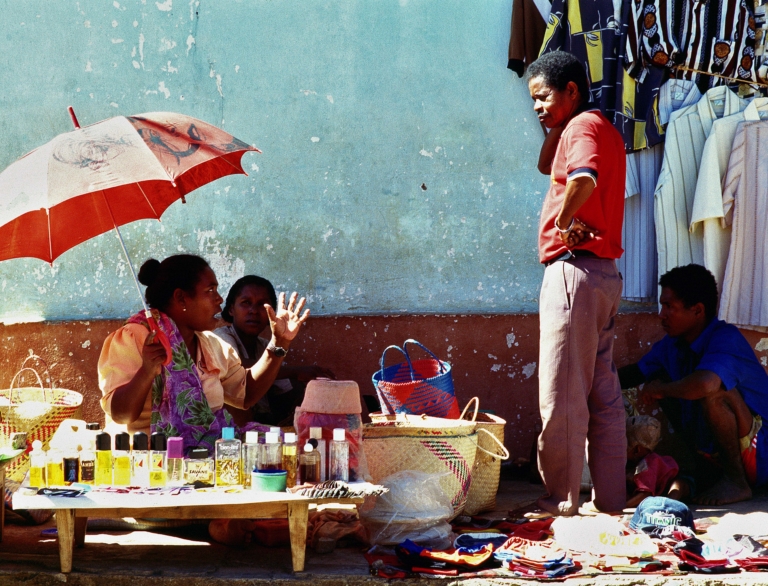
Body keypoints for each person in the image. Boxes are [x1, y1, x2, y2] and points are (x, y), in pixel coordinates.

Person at [526, 50, 627, 516]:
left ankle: (559, 502)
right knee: (602, 396)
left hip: (574, 273)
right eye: (532, 100)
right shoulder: (595, 126)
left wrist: (564, 220)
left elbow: (582, 178)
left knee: (562, 397)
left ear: (572, 91)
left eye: (543, 97)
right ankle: (610, 502)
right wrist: (557, 120)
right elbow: (546, 165)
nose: (536, 107)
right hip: (603, 276)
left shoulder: (583, 127)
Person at [98, 254, 309, 450]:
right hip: (147, 461)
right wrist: (146, 371)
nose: (219, 299)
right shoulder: (137, 338)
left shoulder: (210, 344)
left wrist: (279, 342)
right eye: (210, 290)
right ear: (181, 298)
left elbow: (246, 394)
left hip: (202, 460)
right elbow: (121, 415)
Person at [619, 264, 768, 506]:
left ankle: (736, 482)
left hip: (761, 454)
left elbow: (707, 384)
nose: (661, 315)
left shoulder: (726, 337)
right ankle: (705, 469)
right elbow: (636, 373)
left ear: (697, 310)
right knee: (662, 380)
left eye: (669, 307)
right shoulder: (672, 345)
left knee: (713, 392)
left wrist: (660, 390)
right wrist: (588, 385)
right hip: (716, 455)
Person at [214, 275, 334, 427]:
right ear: (231, 309)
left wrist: (310, 393)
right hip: (229, 427)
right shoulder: (220, 337)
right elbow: (237, 366)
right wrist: (295, 371)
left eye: (262, 305)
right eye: (246, 303)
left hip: (261, 420)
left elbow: (282, 390)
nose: (253, 311)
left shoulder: (265, 346)